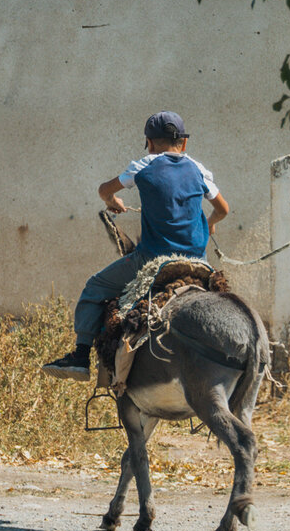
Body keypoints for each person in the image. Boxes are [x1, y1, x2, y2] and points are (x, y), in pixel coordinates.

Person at [41, 111, 230, 381]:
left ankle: (80, 356)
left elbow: (104, 190)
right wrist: (210, 223)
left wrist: (113, 202)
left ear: (149, 143)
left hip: (154, 260)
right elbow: (223, 209)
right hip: (199, 262)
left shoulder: (144, 165)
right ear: (184, 144)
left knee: (94, 287)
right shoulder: (198, 169)